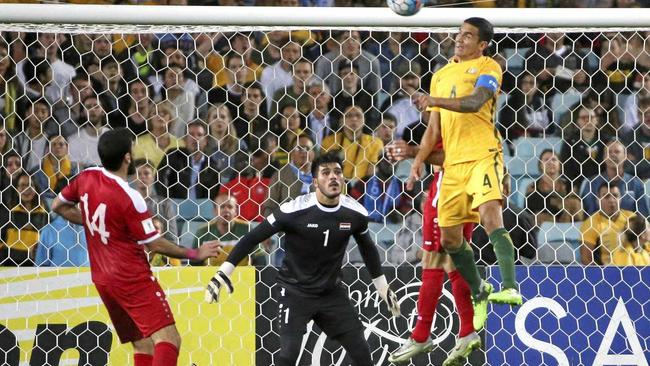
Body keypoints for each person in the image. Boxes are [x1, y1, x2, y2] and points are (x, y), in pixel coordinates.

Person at [205, 153, 400, 366]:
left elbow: (367, 247)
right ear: (315, 182)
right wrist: (224, 272)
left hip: (331, 293)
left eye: (337, 172)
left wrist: (382, 287)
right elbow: (252, 237)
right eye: (326, 173)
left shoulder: (355, 212)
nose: (333, 177)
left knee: (362, 354)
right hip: (295, 292)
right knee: (288, 356)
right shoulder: (293, 210)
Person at [51, 128, 221, 366]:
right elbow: (154, 243)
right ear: (127, 157)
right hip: (131, 277)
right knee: (169, 340)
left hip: (103, 278)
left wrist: (92, 221)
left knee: (142, 343)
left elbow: (58, 205)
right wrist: (194, 252)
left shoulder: (87, 177)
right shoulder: (130, 197)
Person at [410, 17, 522, 329]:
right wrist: (419, 159)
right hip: (452, 165)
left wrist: (434, 100)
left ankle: (510, 286)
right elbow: (434, 128)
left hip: (483, 154)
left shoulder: (489, 68)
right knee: (449, 239)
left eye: (468, 36)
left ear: (482, 44)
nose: (460, 40)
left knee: (490, 215)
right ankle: (480, 289)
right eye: (459, 34)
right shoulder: (441, 74)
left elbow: (475, 102)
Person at [385, 141, 480, 366]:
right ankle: (467, 330)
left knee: (432, 263)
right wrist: (418, 161)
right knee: (454, 262)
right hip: (468, 187)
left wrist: (413, 154)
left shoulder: (444, 111)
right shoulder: (466, 116)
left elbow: (449, 154)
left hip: (448, 186)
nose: (418, 103)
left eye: (420, 102)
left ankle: (421, 335)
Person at [580, 182, 636, 266]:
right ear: (598, 200)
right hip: (607, 272)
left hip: (635, 269)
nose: (612, 200)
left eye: (615, 196)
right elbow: (586, 258)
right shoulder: (590, 223)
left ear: (620, 199)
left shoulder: (632, 218)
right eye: (606, 196)